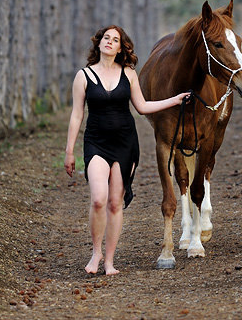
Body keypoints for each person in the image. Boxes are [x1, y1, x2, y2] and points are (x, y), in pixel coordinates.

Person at [64, 25, 190, 275]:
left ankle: (109, 261)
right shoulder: (84, 76)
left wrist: (174, 100)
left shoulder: (129, 74)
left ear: (121, 47)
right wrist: (69, 152)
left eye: (115, 40)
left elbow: (142, 107)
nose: (109, 42)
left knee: (114, 203)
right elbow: (77, 115)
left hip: (125, 143)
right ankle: (96, 253)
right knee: (99, 199)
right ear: (99, 44)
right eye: (106, 38)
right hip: (96, 142)